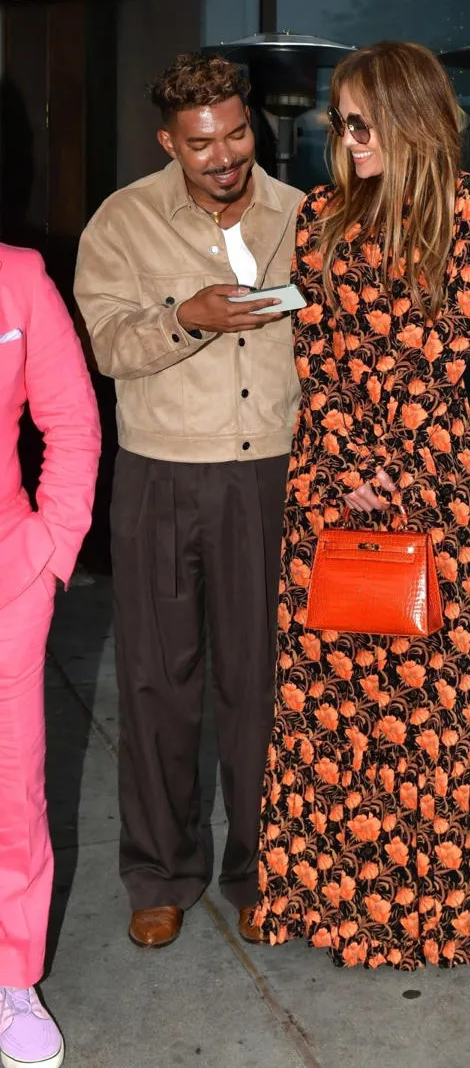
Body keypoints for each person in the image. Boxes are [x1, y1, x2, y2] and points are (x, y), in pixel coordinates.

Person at [251, 40, 470, 969]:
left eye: (361, 119)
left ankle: (432, 914)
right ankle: (336, 910)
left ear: (409, 114)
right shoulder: (321, 216)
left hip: (428, 485)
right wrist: (345, 467)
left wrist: (387, 465)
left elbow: (437, 350)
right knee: (328, 702)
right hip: (327, 483)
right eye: (340, 119)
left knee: (430, 706)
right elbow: (313, 354)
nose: (346, 136)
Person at [74, 53, 302, 949]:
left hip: (271, 475)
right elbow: (106, 343)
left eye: (237, 133)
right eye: (202, 142)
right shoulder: (122, 221)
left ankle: (260, 870)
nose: (224, 156)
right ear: (169, 141)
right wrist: (187, 318)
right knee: (157, 684)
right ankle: (160, 873)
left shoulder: (300, 214)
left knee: (263, 684)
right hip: (162, 475)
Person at [0, 245, 100, 1067]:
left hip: (7, 580)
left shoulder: (18, 277)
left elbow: (71, 420)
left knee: (13, 793)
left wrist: (51, 551)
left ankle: (11, 977)